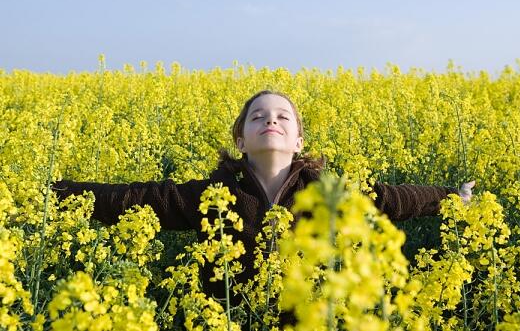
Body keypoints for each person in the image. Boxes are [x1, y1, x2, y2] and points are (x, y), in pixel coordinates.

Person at [52, 90, 474, 303]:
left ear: (298, 141)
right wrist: (53, 194)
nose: (270, 120)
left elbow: (390, 200)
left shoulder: (326, 192)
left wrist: (451, 196)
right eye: (258, 116)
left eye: (282, 117)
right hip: (229, 317)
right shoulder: (212, 195)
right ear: (240, 140)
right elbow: (134, 200)